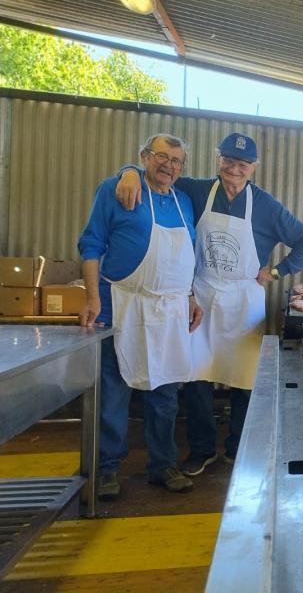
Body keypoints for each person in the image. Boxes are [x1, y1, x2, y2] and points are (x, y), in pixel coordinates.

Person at [115, 132, 303, 475]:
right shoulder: (197, 191)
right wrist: (129, 172)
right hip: (202, 296)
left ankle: (238, 447)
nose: (234, 169)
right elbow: (158, 176)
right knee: (197, 375)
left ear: (254, 167)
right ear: (218, 159)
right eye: (228, 160)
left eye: (243, 164)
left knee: (244, 378)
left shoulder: (266, 206)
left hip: (244, 300)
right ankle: (202, 448)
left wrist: (276, 271)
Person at [79, 134, 203, 498]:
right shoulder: (117, 188)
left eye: (176, 160)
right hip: (122, 304)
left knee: (165, 394)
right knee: (113, 393)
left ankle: (163, 465)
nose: (168, 165)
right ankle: (106, 469)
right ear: (144, 157)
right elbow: (91, 244)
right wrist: (92, 298)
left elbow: (186, 255)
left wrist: (190, 295)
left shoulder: (182, 201)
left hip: (170, 312)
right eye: (161, 156)